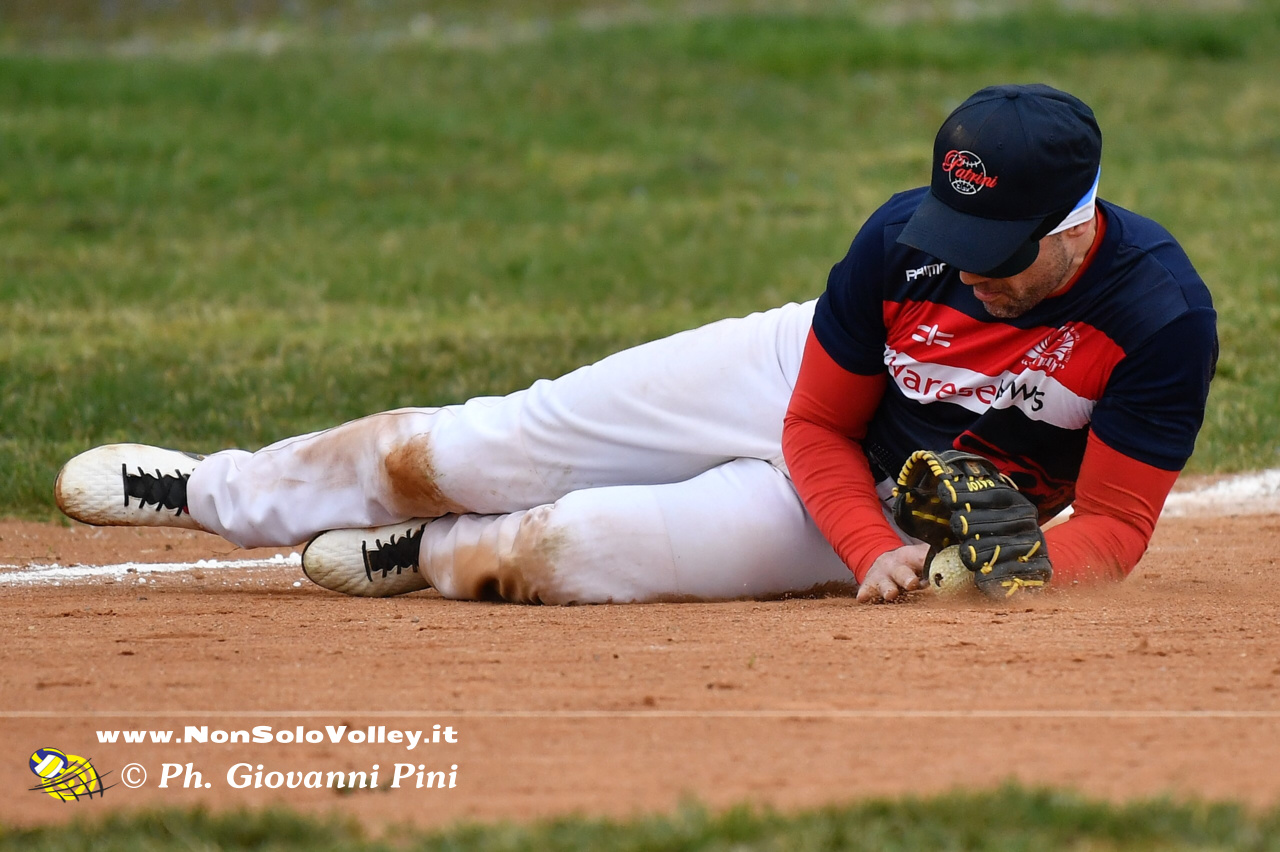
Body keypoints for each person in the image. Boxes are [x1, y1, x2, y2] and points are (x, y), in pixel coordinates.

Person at [54, 84, 1216, 605]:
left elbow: (1111, 526)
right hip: (796, 392)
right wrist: (859, 544)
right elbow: (812, 421)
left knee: (578, 550)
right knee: (485, 444)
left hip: (903, 499)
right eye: (957, 230)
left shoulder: (1152, 317)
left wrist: (990, 576)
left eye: (999, 245)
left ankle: (434, 559)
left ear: (1073, 227)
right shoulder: (901, 245)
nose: (967, 263)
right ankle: (211, 489)